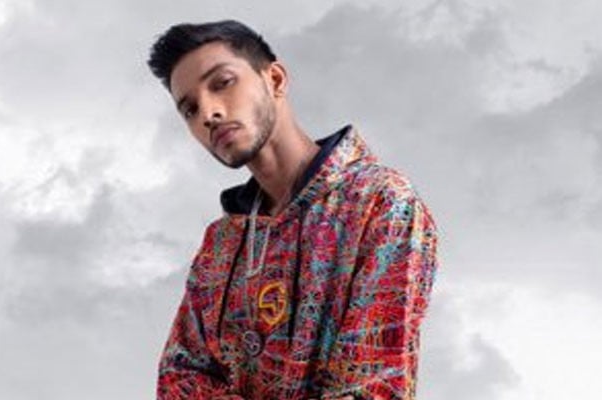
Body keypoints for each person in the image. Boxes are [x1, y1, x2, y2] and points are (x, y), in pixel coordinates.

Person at [147, 19, 439, 400]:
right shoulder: (220, 243)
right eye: (189, 108)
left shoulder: (380, 203)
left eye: (222, 83)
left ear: (275, 79)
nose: (208, 113)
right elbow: (178, 379)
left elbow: (373, 387)